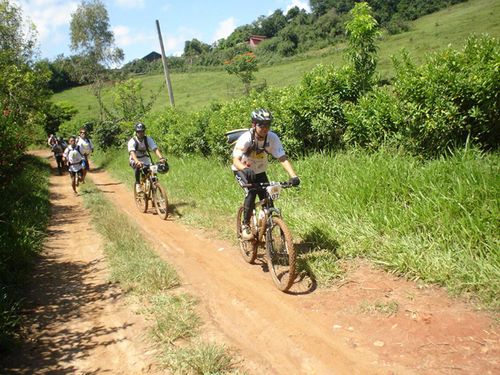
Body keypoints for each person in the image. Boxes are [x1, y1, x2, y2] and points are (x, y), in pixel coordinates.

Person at [232, 108, 300, 240]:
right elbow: (235, 160)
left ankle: (267, 228)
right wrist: (244, 169)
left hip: (260, 171)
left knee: (268, 199)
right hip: (242, 170)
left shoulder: (272, 138)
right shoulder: (246, 138)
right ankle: (245, 225)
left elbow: (282, 158)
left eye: (268, 125)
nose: (265, 128)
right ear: (254, 125)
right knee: (251, 192)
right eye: (261, 125)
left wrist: (293, 176)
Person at [127, 122, 166, 193]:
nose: (141, 133)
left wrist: (161, 158)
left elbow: (155, 149)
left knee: (152, 172)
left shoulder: (148, 139)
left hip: (145, 159)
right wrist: (137, 161)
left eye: (142, 131)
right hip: (134, 159)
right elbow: (132, 152)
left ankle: (154, 188)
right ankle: (138, 184)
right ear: (136, 132)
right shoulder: (132, 141)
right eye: (139, 131)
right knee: (138, 167)